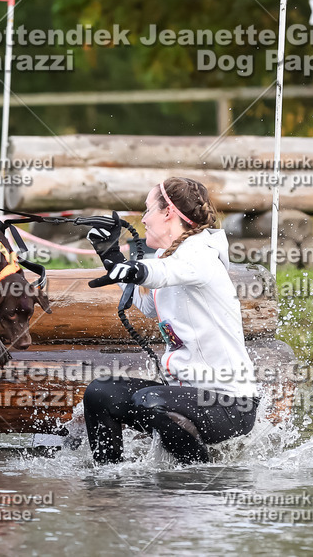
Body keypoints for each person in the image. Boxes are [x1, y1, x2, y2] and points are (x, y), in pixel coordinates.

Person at [82, 177, 258, 465]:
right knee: (100, 393)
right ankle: (109, 481)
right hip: (188, 395)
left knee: (149, 401)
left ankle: (202, 473)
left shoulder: (200, 253)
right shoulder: (169, 256)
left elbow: (162, 273)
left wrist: (135, 268)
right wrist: (110, 256)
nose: (143, 219)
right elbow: (149, 305)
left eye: (147, 209)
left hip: (230, 404)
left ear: (168, 213)